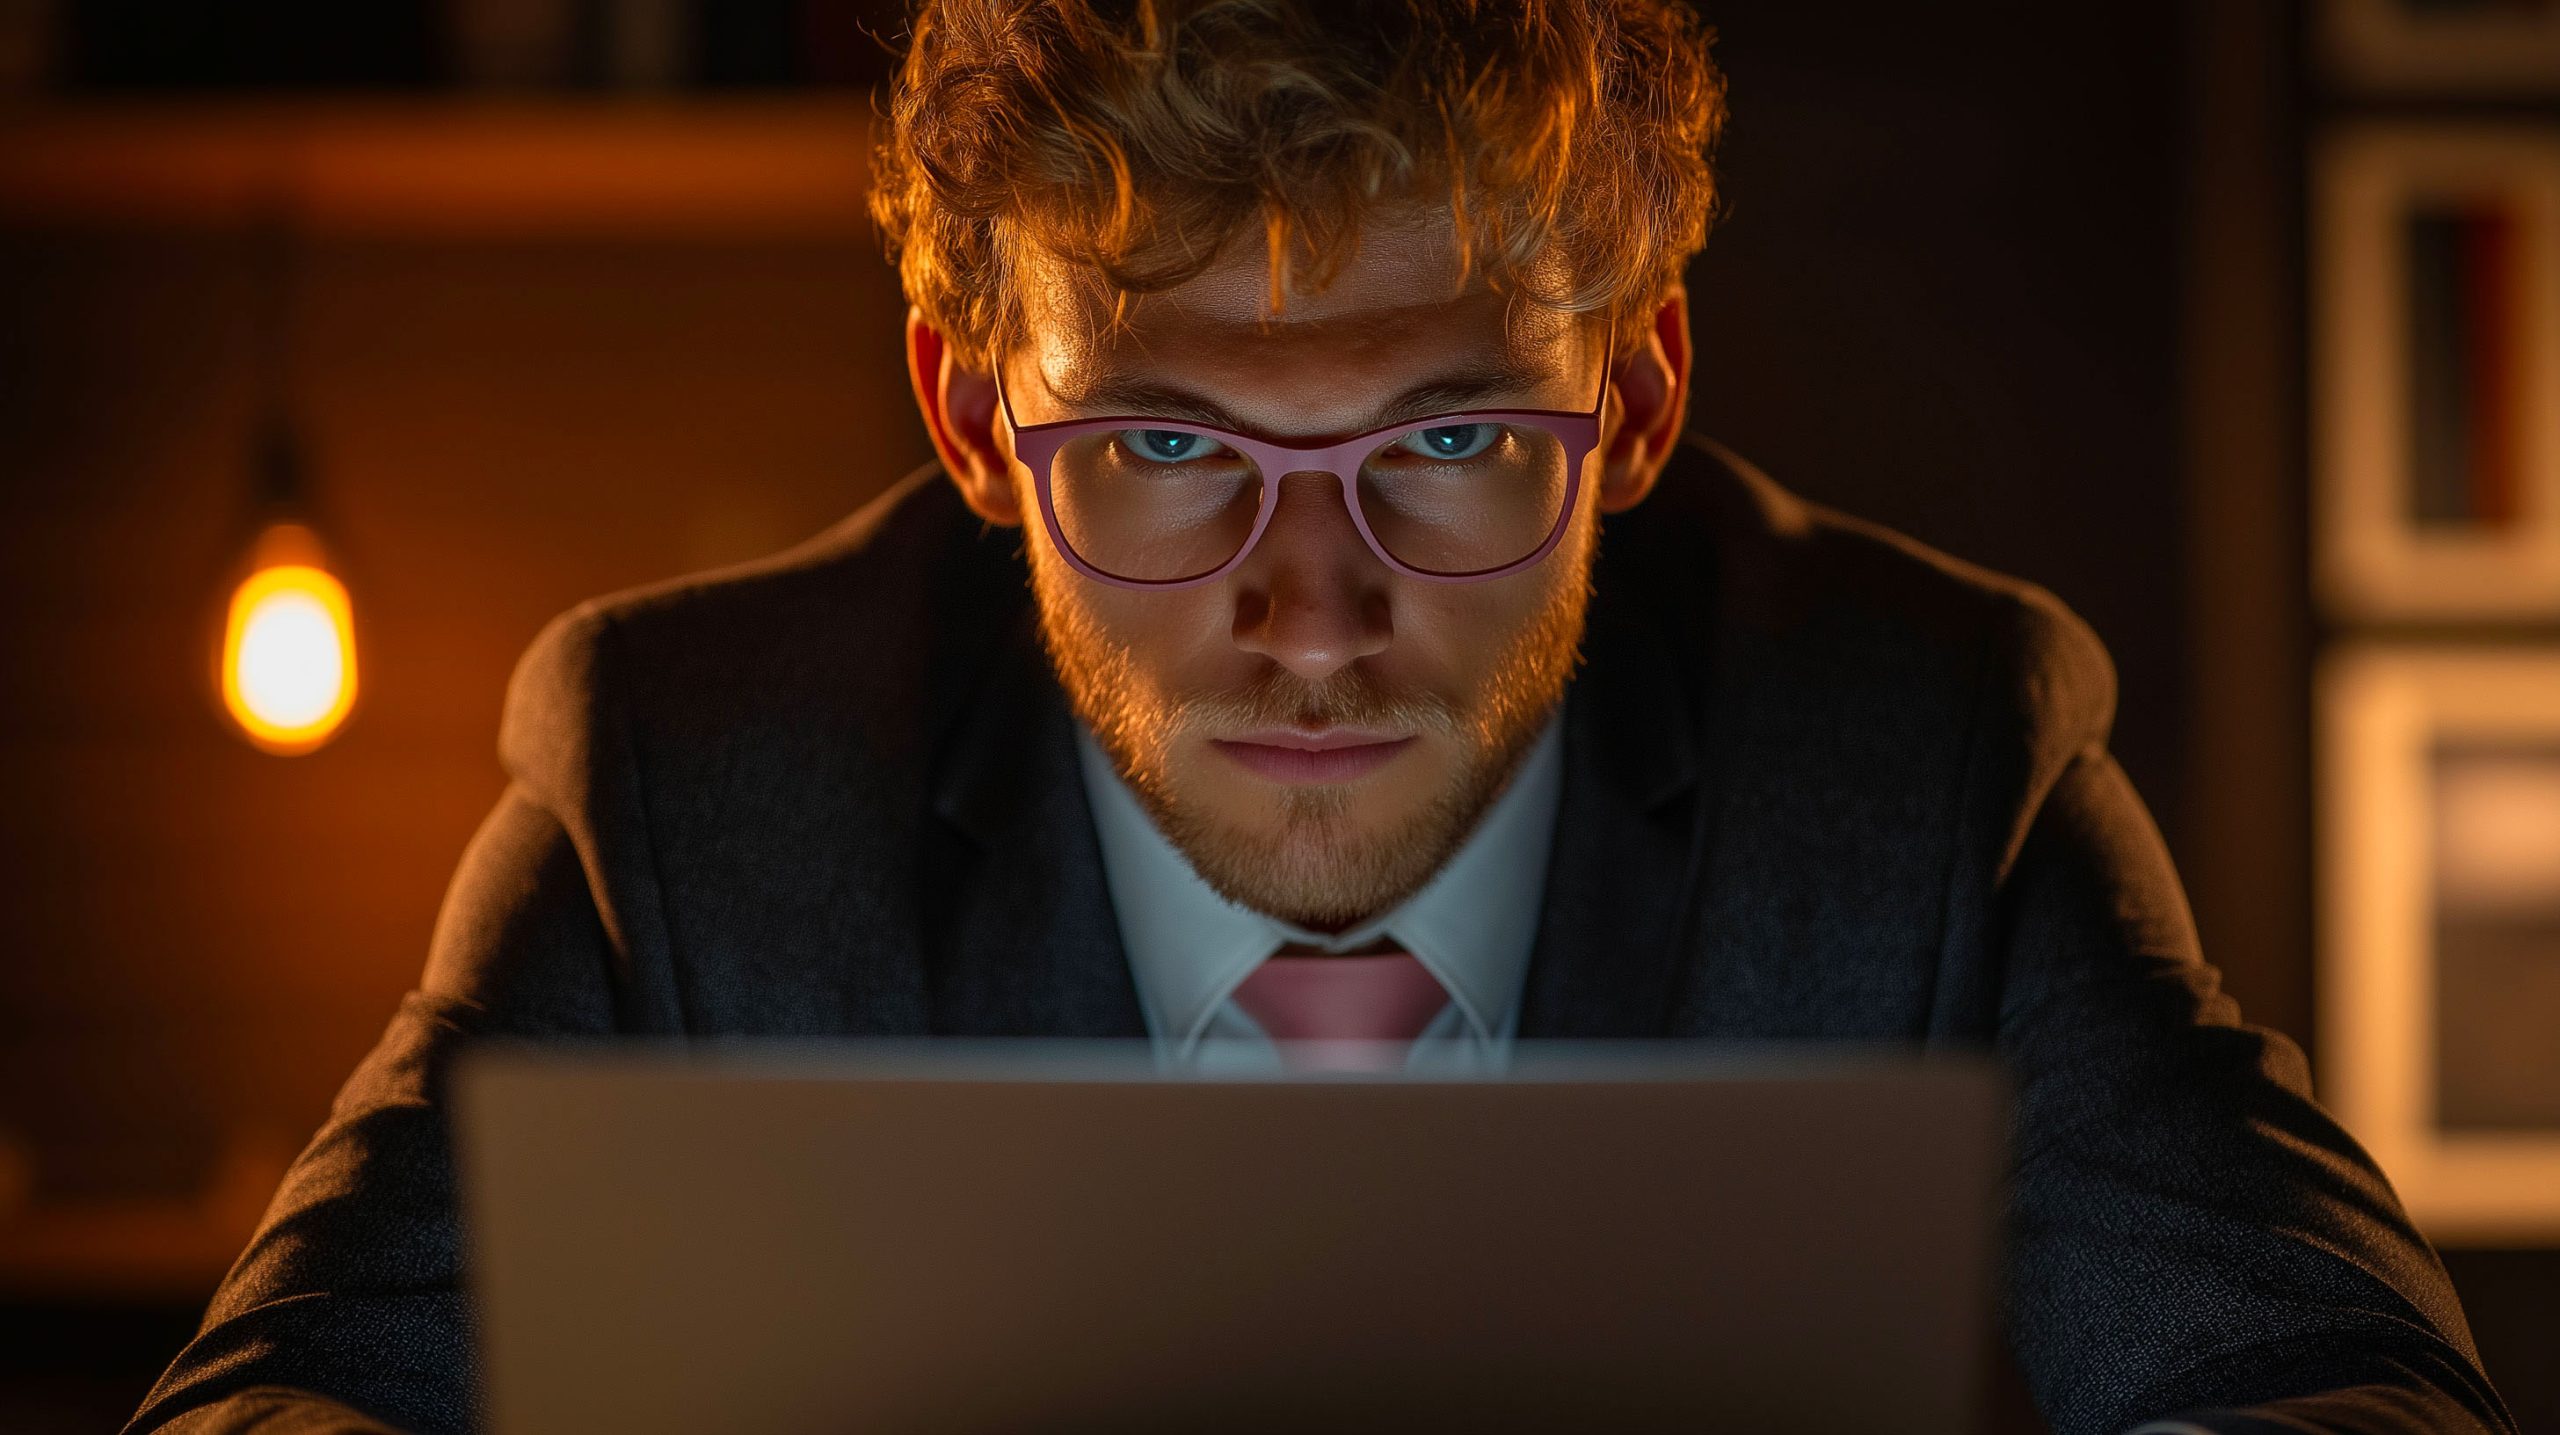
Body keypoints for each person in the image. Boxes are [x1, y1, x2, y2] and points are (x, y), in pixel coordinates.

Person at [128, 2, 2514, 1432]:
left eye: (1447, 442)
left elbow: (2345, 1382)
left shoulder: (1917, 751)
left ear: (1640, 390)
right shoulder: (683, 773)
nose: (1308, 611)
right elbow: (272, 1396)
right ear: (973, 415)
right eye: (1163, 446)